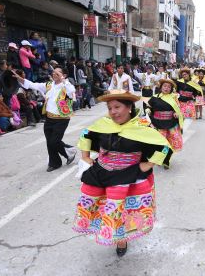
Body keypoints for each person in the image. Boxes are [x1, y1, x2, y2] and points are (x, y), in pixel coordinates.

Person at [73, 90, 173, 256]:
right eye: (110, 108)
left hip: (127, 176)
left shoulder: (142, 128)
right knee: (103, 207)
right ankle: (107, 231)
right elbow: (86, 134)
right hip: (101, 171)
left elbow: (164, 147)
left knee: (120, 210)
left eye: (117, 107)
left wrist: (147, 165)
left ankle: (121, 240)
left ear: (129, 108)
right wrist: (85, 157)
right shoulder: (104, 124)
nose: (113, 112)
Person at [13, 67, 76, 171]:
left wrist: (64, 81)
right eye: (53, 72)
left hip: (62, 119)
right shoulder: (49, 85)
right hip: (49, 118)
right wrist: (20, 79)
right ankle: (55, 163)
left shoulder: (67, 86)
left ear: (63, 75)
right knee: (49, 141)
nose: (54, 74)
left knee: (54, 141)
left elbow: (71, 91)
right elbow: (33, 85)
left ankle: (69, 152)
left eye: (57, 73)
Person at [147, 79, 183, 166]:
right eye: (165, 86)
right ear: (161, 87)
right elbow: (149, 107)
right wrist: (147, 110)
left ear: (171, 89)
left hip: (170, 124)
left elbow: (178, 110)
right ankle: (160, 158)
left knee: (169, 144)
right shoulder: (155, 97)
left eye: (169, 87)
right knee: (159, 143)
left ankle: (166, 160)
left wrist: (176, 113)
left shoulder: (173, 98)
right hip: (157, 124)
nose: (166, 88)